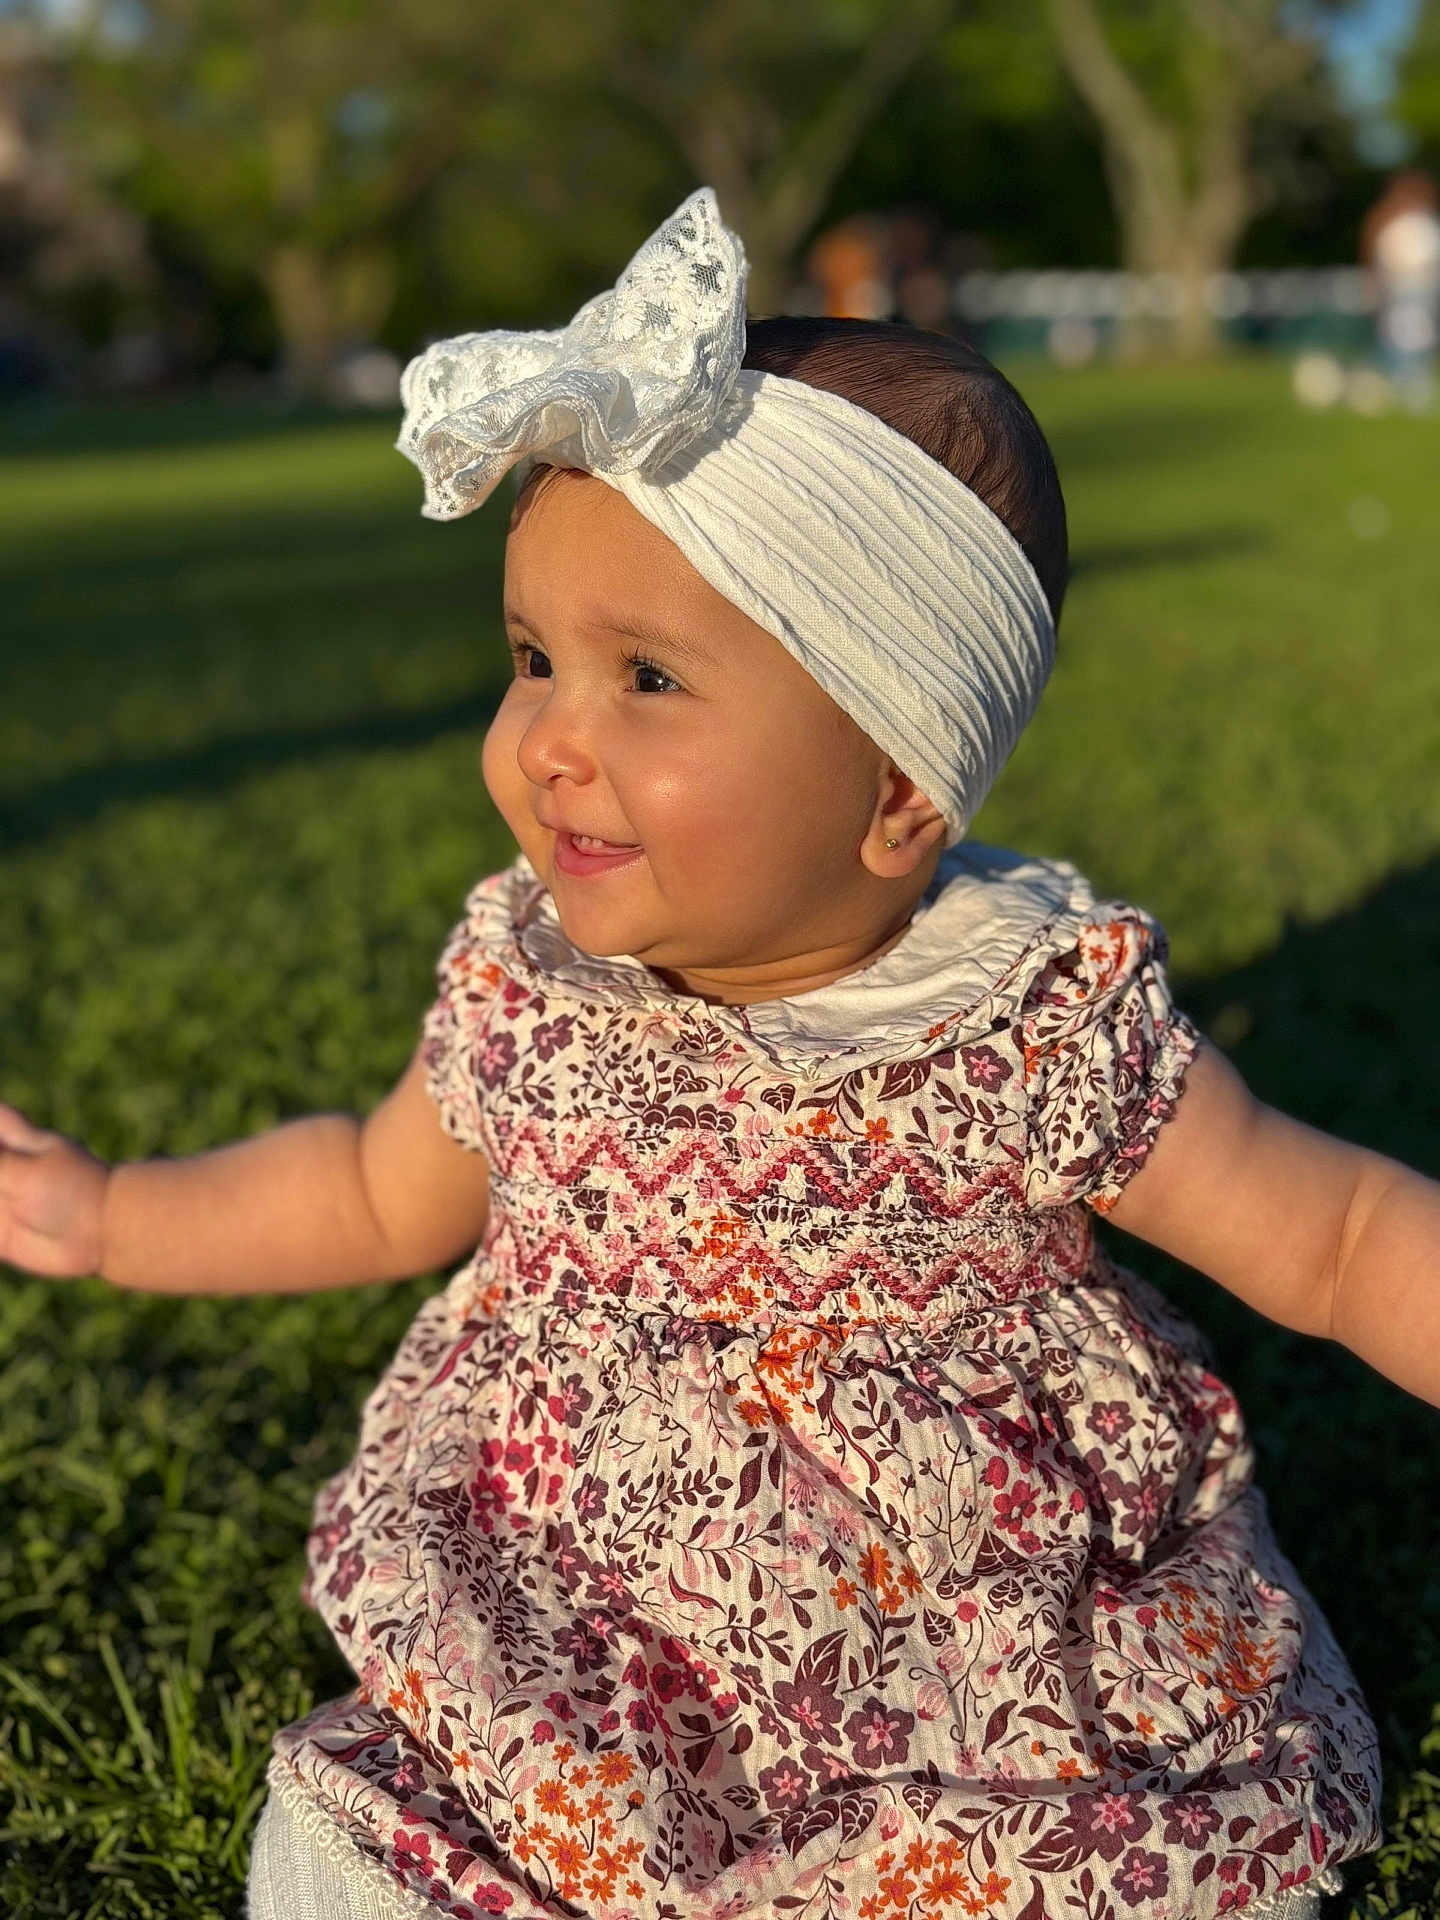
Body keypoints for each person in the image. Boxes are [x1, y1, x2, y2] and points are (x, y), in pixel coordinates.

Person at [0, 187, 1431, 1920]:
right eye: (533, 660)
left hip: (954, 1631)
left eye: (647, 682)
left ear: (900, 790)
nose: (550, 744)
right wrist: (112, 1216)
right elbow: (375, 1192)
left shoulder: (1030, 1020)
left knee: (1069, 1860)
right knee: (342, 1868)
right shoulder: (527, 989)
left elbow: (1334, 1237)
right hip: (590, 1622)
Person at [1360, 169, 1440, 411]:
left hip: (1424, 288)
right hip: (1401, 287)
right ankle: (1400, 384)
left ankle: (1409, 383)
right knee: (1403, 336)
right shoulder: (1387, 219)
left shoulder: (1424, 221)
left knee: (1418, 336)